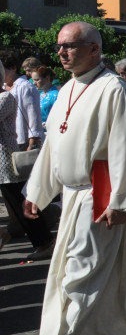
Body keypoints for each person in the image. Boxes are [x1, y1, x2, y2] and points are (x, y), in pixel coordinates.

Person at [14, 22, 126, 335]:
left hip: (100, 195)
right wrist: (37, 191)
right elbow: (54, 145)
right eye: (60, 46)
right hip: (72, 196)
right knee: (119, 270)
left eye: (71, 45)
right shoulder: (66, 89)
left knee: (78, 274)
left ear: (94, 49)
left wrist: (122, 200)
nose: (62, 52)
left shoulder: (115, 89)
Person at [0, 57, 56, 260]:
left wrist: (33, 139)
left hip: (6, 160)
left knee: (18, 201)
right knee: (14, 201)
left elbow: (33, 114)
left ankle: (44, 241)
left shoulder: (5, 97)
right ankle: (6, 233)